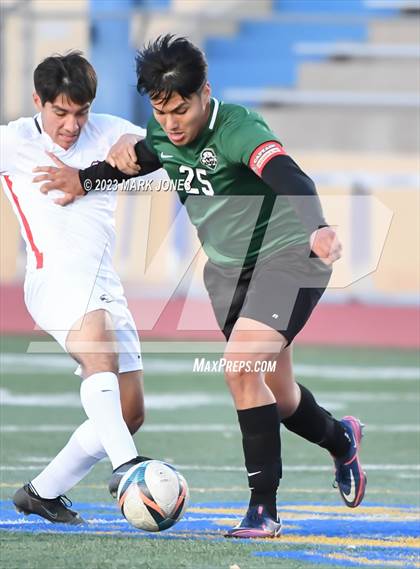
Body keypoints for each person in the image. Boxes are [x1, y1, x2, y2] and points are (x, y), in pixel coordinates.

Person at [37, 36, 367, 538]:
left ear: (205, 93)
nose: (171, 122)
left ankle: (263, 511)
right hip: (229, 275)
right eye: (160, 109)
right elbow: (146, 157)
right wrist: (84, 179)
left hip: (287, 261)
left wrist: (317, 225)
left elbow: (288, 174)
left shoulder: (238, 128)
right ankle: (342, 440)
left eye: (181, 109)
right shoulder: (164, 131)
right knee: (278, 398)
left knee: (239, 370)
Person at [0, 51, 163, 524]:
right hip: (54, 278)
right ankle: (128, 468)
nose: (72, 125)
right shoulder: (13, 141)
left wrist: (134, 145)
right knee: (99, 357)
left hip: (103, 281)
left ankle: (41, 492)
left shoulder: (108, 130)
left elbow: (149, 149)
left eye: (81, 112)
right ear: (38, 100)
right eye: (61, 112)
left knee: (128, 413)